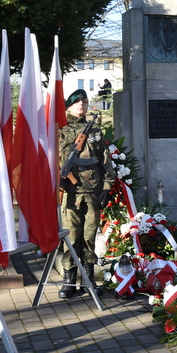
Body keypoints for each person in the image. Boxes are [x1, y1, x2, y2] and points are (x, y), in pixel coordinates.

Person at [58, 89, 114, 298]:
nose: (81, 105)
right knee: (71, 236)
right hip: (70, 192)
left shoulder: (95, 130)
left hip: (91, 190)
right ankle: (69, 280)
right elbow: (54, 159)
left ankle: (88, 279)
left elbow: (104, 160)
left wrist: (107, 187)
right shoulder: (60, 130)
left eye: (84, 102)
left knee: (90, 235)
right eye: (77, 102)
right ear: (69, 106)